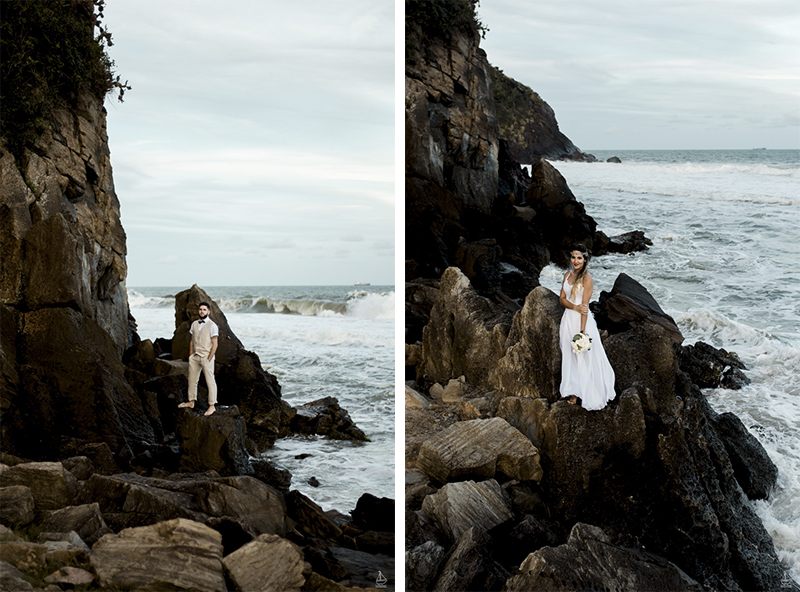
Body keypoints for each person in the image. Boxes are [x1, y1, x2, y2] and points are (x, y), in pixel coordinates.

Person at [558, 244, 616, 410]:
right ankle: (573, 389)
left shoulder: (587, 279)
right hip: (568, 318)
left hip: (581, 322)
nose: (575, 261)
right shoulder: (567, 275)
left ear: (585, 260)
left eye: (579, 258)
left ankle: (584, 392)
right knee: (569, 355)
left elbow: (584, 307)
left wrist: (582, 332)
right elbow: (561, 299)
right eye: (573, 257)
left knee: (583, 356)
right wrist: (573, 307)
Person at [179, 302, 218, 416]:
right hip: (195, 357)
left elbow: (215, 344)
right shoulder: (194, 324)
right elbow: (192, 340)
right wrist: (191, 355)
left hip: (206, 357)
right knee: (192, 379)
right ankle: (191, 401)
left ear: (208, 312)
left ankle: (212, 406)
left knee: (210, 381)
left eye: (204, 310)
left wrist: (209, 358)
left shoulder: (212, 325)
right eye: (200, 309)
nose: (202, 311)